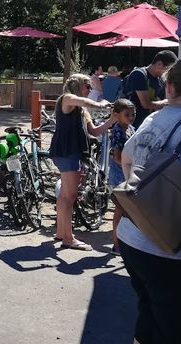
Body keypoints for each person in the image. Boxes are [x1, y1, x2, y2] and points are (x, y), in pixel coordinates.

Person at [118, 58, 181, 344]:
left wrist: (147, 199)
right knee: (180, 332)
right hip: (173, 251)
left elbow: (126, 159)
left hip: (134, 237)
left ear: (171, 86)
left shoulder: (154, 117)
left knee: (149, 318)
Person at [50, 73, 116, 251]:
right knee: (69, 196)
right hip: (67, 151)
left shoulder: (81, 110)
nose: (90, 89)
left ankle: (61, 232)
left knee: (65, 195)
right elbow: (86, 102)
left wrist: (112, 120)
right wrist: (100, 104)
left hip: (70, 152)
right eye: (87, 86)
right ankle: (69, 239)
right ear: (77, 85)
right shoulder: (67, 99)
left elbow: (94, 132)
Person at [108, 98, 135, 254]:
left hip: (127, 172)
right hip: (120, 174)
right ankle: (117, 243)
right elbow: (117, 156)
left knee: (126, 209)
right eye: (127, 115)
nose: (131, 118)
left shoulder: (130, 128)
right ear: (117, 115)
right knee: (120, 208)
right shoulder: (118, 130)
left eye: (133, 114)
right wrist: (128, 168)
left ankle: (123, 242)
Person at [125, 50, 177, 129]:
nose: (168, 72)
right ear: (159, 64)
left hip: (148, 124)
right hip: (132, 125)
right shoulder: (139, 74)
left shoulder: (159, 79)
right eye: (168, 69)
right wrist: (166, 102)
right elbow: (146, 104)